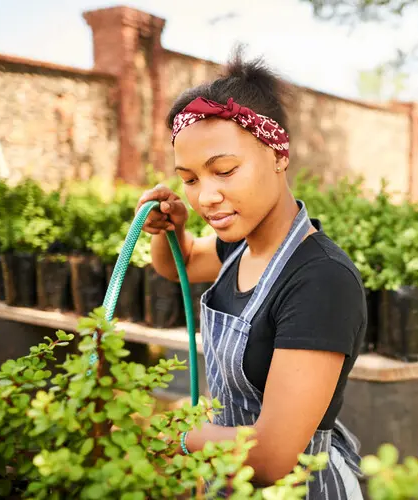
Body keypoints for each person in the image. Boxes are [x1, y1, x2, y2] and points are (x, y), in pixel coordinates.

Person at [136, 48, 366, 499]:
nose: (207, 196)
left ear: (278, 154)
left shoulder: (319, 281)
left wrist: (174, 434)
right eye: (190, 179)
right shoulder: (239, 247)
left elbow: (272, 456)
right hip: (231, 477)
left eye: (224, 170)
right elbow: (175, 268)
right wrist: (169, 230)